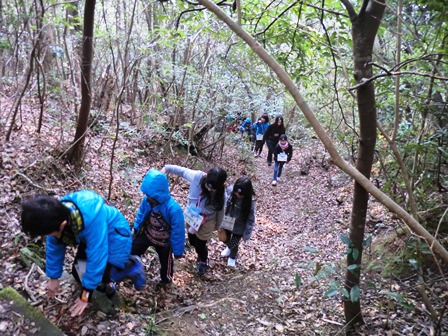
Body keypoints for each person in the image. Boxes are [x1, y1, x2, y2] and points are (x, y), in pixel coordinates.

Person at [21, 190, 146, 317]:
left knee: (106, 273)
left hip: (116, 236)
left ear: (63, 225)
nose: (49, 236)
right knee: (78, 272)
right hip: (89, 240)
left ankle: (132, 267)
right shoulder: (54, 216)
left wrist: (85, 296)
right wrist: (53, 277)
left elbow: (97, 257)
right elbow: (54, 246)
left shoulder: (90, 217)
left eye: (49, 234)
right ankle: (103, 282)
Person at [161, 165, 227, 275]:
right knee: (192, 240)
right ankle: (197, 249)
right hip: (192, 216)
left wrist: (217, 226)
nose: (209, 189)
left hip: (207, 221)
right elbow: (182, 171)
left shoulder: (221, 194)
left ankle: (203, 260)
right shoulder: (197, 177)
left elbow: (221, 211)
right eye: (208, 186)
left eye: (213, 188)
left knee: (200, 244)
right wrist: (167, 168)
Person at [131, 169, 185, 288]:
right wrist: (136, 227)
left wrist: (178, 250)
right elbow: (141, 213)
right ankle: (131, 271)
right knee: (133, 250)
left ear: (158, 194)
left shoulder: (173, 209)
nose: (147, 197)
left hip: (164, 242)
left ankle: (166, 280)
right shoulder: (147, 201)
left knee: (166, 262)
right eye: (147, 195)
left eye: (150, 195)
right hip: (148, 233)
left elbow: (178, 231)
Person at [220, 176, 256, 267]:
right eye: (236, 192)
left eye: (240, 194)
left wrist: (247, 233)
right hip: (228, 220)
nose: (237, 194)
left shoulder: (250, 202)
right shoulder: (230, 191)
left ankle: (232, 257)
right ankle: (229, 248)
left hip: (239, 227)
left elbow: (251, 219)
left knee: (234, 244)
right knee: (224, 238)